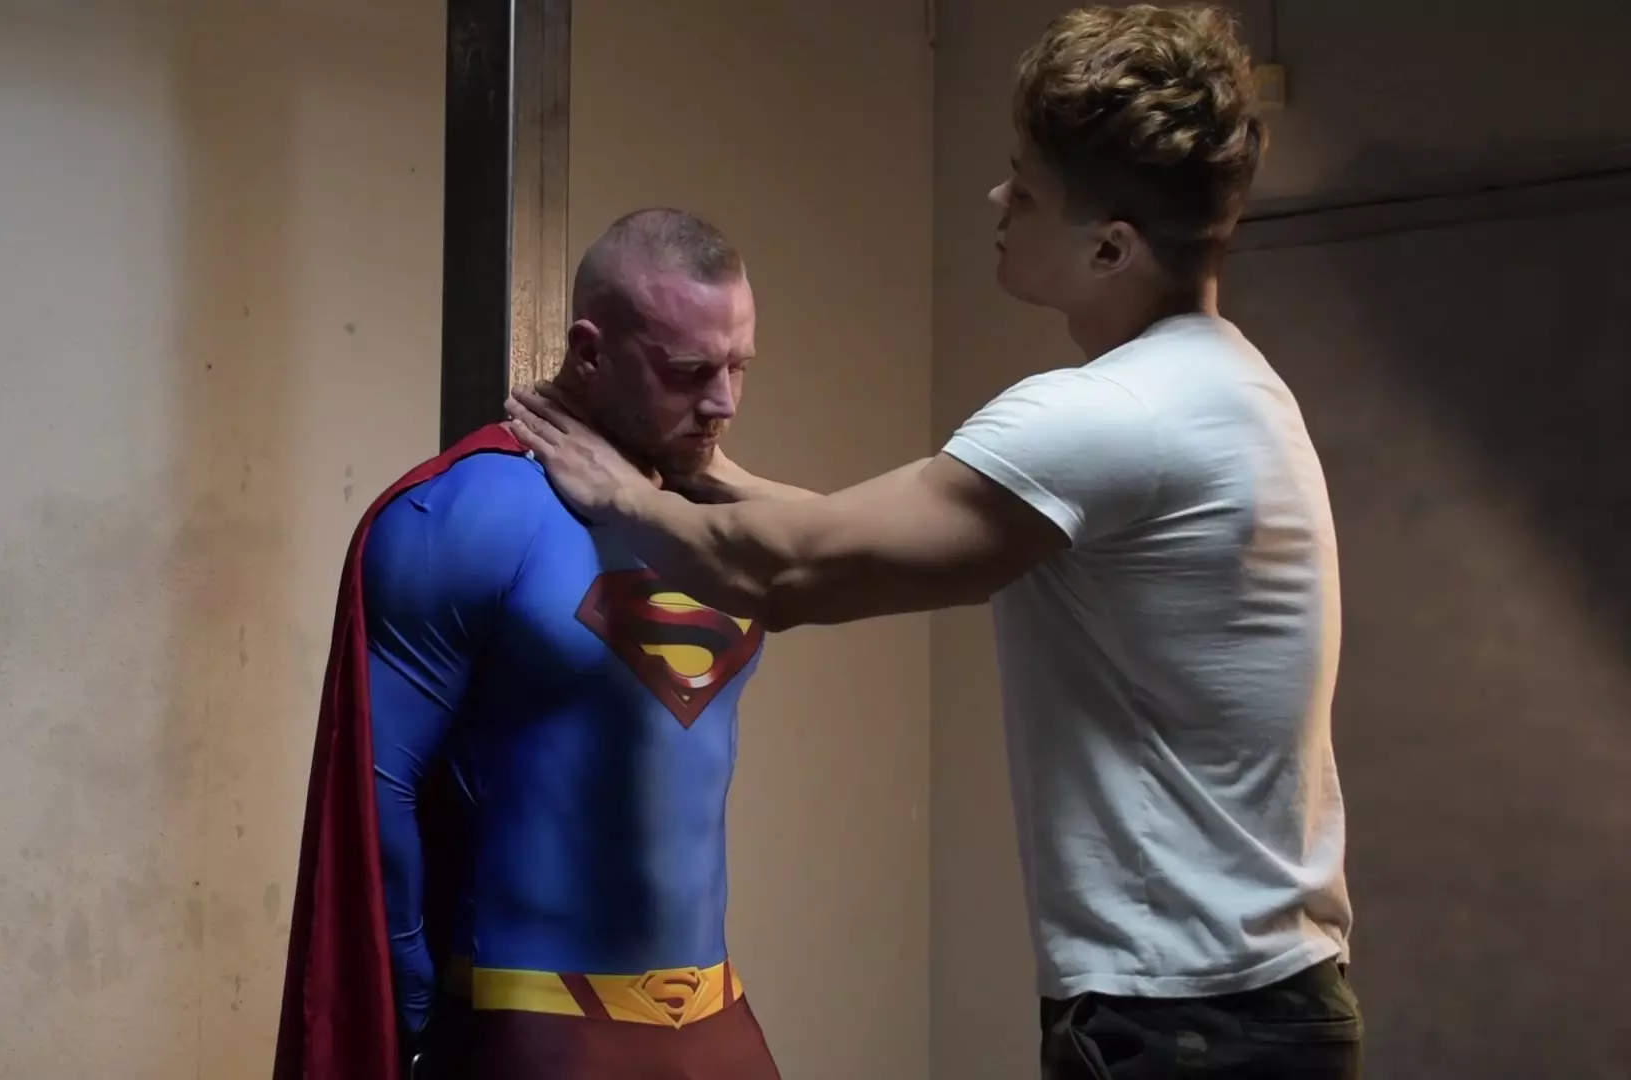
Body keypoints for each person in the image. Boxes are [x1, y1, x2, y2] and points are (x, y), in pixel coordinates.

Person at [505, 6, 1362, 1078]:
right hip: (1250, 1010)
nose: (998, 200)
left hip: (1187, 1029)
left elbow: (793, 572)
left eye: (1027, 190)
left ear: (1109, 246)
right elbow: (841, 529)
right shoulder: (1225, 389)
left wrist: (612, 492)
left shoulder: (1110, 418)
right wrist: (691, 474)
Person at [275, 209, 789, 1080]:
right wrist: (414, 1014)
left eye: (739, 366)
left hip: (716, 1016)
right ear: (589, 352)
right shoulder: (472, 512)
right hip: (541, 1023)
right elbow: (381, 789)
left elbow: (872, 555)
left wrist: (714, 483)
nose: (723, 403)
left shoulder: (719, 519)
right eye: (688, 371)